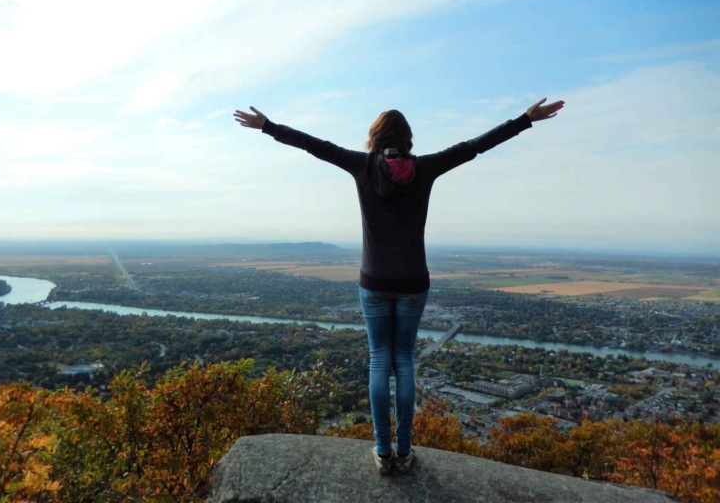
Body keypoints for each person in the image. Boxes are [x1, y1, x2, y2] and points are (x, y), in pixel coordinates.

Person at [233, 97, 565, 475]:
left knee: (380, 359)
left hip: (373, 282)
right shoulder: (424, 168)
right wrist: (524, 120)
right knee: (404, 361)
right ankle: (404, 452)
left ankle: (382, 450)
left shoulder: (363, 166)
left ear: (375, 137)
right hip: (413, 281)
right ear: (407, 138)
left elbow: (315, 145)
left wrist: (268, 126)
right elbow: (474, 146)